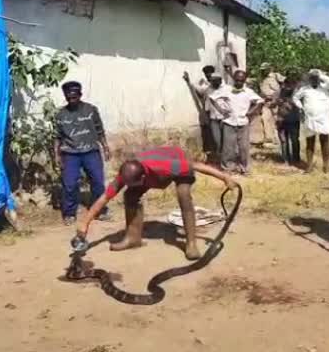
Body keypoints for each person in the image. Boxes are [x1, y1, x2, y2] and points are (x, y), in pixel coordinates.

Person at [75, 146, 236, 260]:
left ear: (144, 178)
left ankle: (191, 243)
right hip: (151, 169)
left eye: (137, 183)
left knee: (183, 194)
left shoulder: (165, 166)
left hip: (177, 160)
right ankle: (133, 238)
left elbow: (196, 165)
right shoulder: (125, 174)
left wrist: (225, 178)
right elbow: (104, 197)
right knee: (130, 195)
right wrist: (85, 222)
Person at [54, 81, 112, 225]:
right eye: (68, 97)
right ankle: (69, 213)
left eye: (74, 96)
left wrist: (105, 147)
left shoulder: (91, 110)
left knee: (98, 182)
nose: (71, 99)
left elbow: (100, 130)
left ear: (80, 95)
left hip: (91, 152)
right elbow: (57, 137)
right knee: (70, 184)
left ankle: (99, 210)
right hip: (70, 154)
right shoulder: (61, 115)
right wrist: (57, 155)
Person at [211, 70, 264, 174]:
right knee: (228, 148)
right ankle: (228, 168)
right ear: (234, 79)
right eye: (237, 80)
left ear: (244, 81)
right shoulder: (226, 90)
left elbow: (260, 101)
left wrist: (250, 112)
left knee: (244, 147)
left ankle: (244, 168)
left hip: (243, 123)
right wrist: (221, 110)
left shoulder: (248, 92)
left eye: (241, 80)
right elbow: (212, 98)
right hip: (229, 122)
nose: (239, 82)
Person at [293, 69, 329, 172]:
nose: (314, 79)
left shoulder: (326, 88)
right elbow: (295, 98)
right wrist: (301, 108)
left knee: (325, 142)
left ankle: (326, 165)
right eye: (312, 77)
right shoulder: (304, 89)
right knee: (310, 142)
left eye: (316, 77)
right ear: (309, 78)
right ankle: (309, 166)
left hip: (323, 119)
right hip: (310, 118)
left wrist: (321, 74)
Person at [184, 68, 229, 164]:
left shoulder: (226, 88)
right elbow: (197, 90)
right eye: (207, 76)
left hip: (224, 118)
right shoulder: (207, 88)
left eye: (212, 77)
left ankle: (226, 160)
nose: (210, 79)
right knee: (216, 140)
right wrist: (188, 81)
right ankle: (218, 159)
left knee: (225, 140)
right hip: (212, 117)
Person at [274, 76, 301, 165]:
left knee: (294, 140)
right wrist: (278, 102)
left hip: (293, 119)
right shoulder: (279, 92)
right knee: (283, 140)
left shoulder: (297, 94)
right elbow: (272, 104)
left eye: (291, 85)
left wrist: (289, 102)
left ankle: (296, 159)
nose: (288, 87)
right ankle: (285, 159)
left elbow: (299, 105)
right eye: (287, 84)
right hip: (281, 120)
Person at [257, 63, 285, 146]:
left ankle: (278, 138)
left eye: (265, 69)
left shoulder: (276, 76)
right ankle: (268, 139)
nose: (263, 71)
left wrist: (277, 97)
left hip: (276, 102)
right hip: (266, 102)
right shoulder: (262, 79)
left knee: (277, 120)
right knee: (264, 119)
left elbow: (285, 84)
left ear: (269, 69)